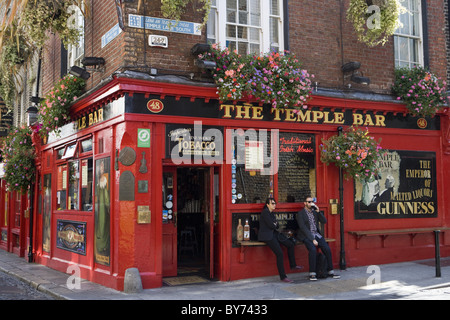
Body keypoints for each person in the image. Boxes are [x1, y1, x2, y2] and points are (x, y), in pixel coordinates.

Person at [258, 197, 302, 283]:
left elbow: (277, 225)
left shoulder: (272, 213)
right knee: (279, 253)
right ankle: (283, 277)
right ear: (267, 205)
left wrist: (274, 224)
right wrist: (274, 224)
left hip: (274, 234)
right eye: (272, 203)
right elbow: (272, 225)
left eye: (275, 203)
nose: (274, 205)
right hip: (267, 236)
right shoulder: (265, 212)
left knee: (290, 244)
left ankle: (293, 265)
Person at [296, 196, 340, 281]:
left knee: (327, 248)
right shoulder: (301, 214)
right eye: (309, 202)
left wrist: (318, 211)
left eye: (312, 201)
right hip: (306, 235)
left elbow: (324, 221)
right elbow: (303, 228)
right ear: (305, 203)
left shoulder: (315, 212)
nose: (311, 203)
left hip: (316, 235)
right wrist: (312, 239)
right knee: (312, 250)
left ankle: (330, 271)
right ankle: (312, 273)